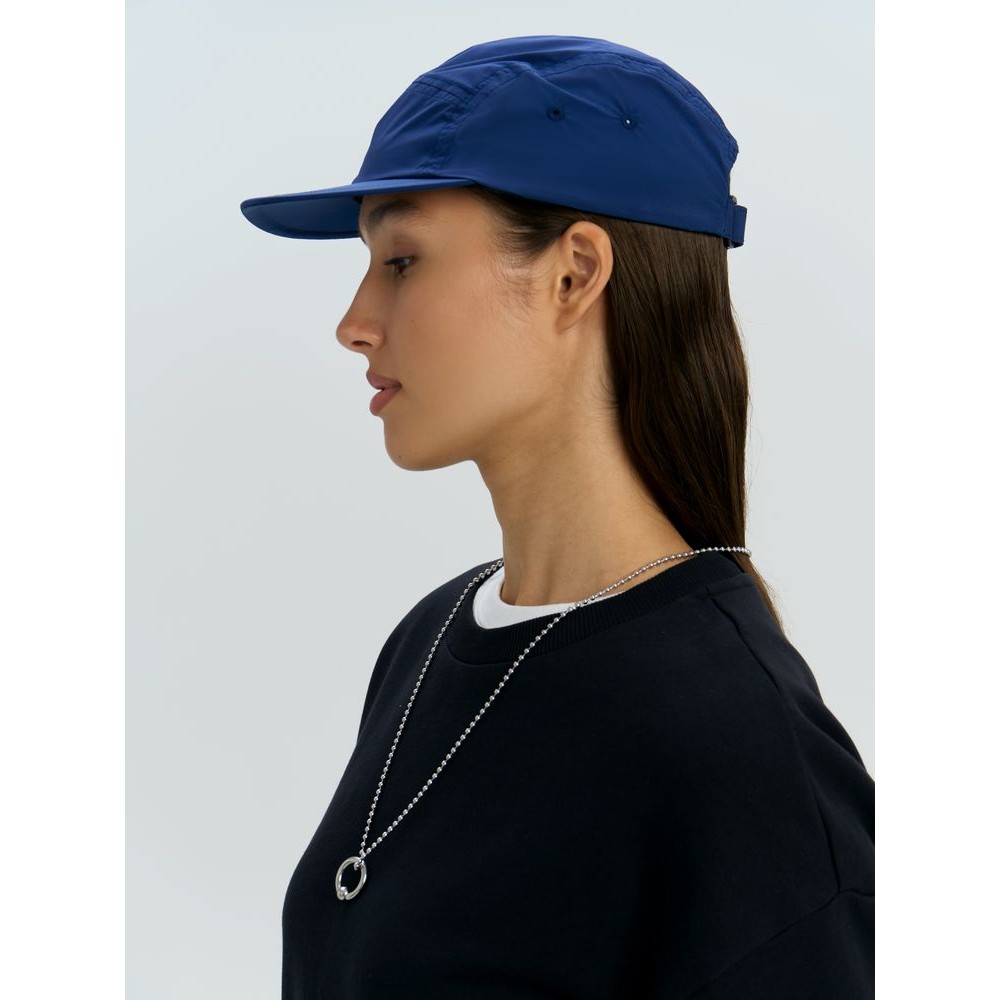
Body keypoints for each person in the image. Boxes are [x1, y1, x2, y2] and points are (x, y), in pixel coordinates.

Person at [240, 34, 874, 1000]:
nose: (354, 322)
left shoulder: (741, 748)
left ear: (574, 274)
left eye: (401, 260)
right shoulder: (432, 640)